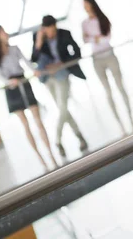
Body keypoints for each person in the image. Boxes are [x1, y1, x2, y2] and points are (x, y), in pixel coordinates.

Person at [0, 25, 57, 169]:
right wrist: (9, 82)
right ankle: (40, 157)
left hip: (23, 82)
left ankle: (50, 153)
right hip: (11, 87)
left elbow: (27, 63)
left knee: (38, 120)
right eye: (2, 32)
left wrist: (35, 71)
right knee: (25, 124)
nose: (6, 33)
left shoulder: (14, 48)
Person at [32, 15, 88, 158]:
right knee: (63, 109)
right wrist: (38, 42)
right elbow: (33, 59)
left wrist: (62, 64)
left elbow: (76, 52)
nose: (50, 34)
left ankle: (57, 140)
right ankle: (80, 137)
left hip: (62, 74)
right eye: (47, 31)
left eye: (52, 30)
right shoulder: (38, 37)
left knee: (62, 107)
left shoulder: (64, 33)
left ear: (55, 26)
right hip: (48, 79)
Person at [82, 0, 133, 133]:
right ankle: (119, 123)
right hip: (97, 59)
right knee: (107, 91)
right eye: (84, 6)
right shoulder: (84, 23)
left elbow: (107, 38)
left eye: (87, 5)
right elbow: (85, 39)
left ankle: (131, 117)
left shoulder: (102, 19)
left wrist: (94, 38)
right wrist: (96, 38)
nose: (85, 8)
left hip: (109, 55)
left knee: (120, 86)